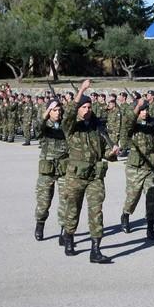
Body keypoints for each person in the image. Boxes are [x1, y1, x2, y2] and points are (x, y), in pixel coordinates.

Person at [61, 79, 119, 264]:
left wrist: (113, 152)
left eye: (89, 107)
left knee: (96, 211)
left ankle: (96, 250)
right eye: (83, 106)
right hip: (76, 176)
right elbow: (69, 112)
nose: (86, 110)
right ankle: (69, 237)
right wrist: (82, 90)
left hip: (95, 176)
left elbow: (106, 153)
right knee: (73, 210)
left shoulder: (96, 129)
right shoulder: (71, 128)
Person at [120, 98, 154, 240]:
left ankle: (150, 228)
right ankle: (125, 215)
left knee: (152, 197)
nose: (144, 112)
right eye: (141, 110)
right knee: (133, 196)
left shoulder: (153, 124)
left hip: (150, 167)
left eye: (146, 110)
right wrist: (136, 108)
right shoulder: (133, 125)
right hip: (135, 168)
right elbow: (126, 125)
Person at [33, 99, 69, 242]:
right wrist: (47, 111)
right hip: (47, 169)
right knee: (43, 201)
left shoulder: (65, 126)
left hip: (63, 169)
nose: (58, 112)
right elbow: (37, 127)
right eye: (55, 110)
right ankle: (40, 224)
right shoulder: (44, 126)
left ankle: (64, 231)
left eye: (59, 110)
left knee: (66, 201)